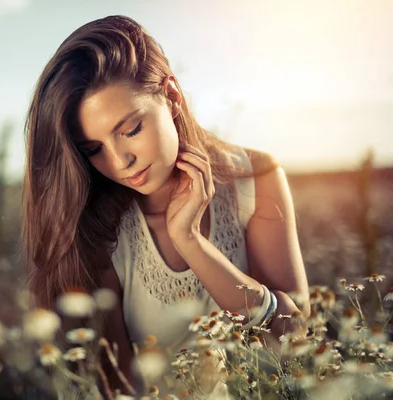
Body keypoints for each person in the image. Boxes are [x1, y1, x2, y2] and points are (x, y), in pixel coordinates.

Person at [21, 15, 310, 398]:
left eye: (130, 130)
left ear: (172, 96)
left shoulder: (254, 180)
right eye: (94, 149)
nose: (119, 161)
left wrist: (191, 241)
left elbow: (294, 339)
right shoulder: (98, 228)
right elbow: (119, 388)